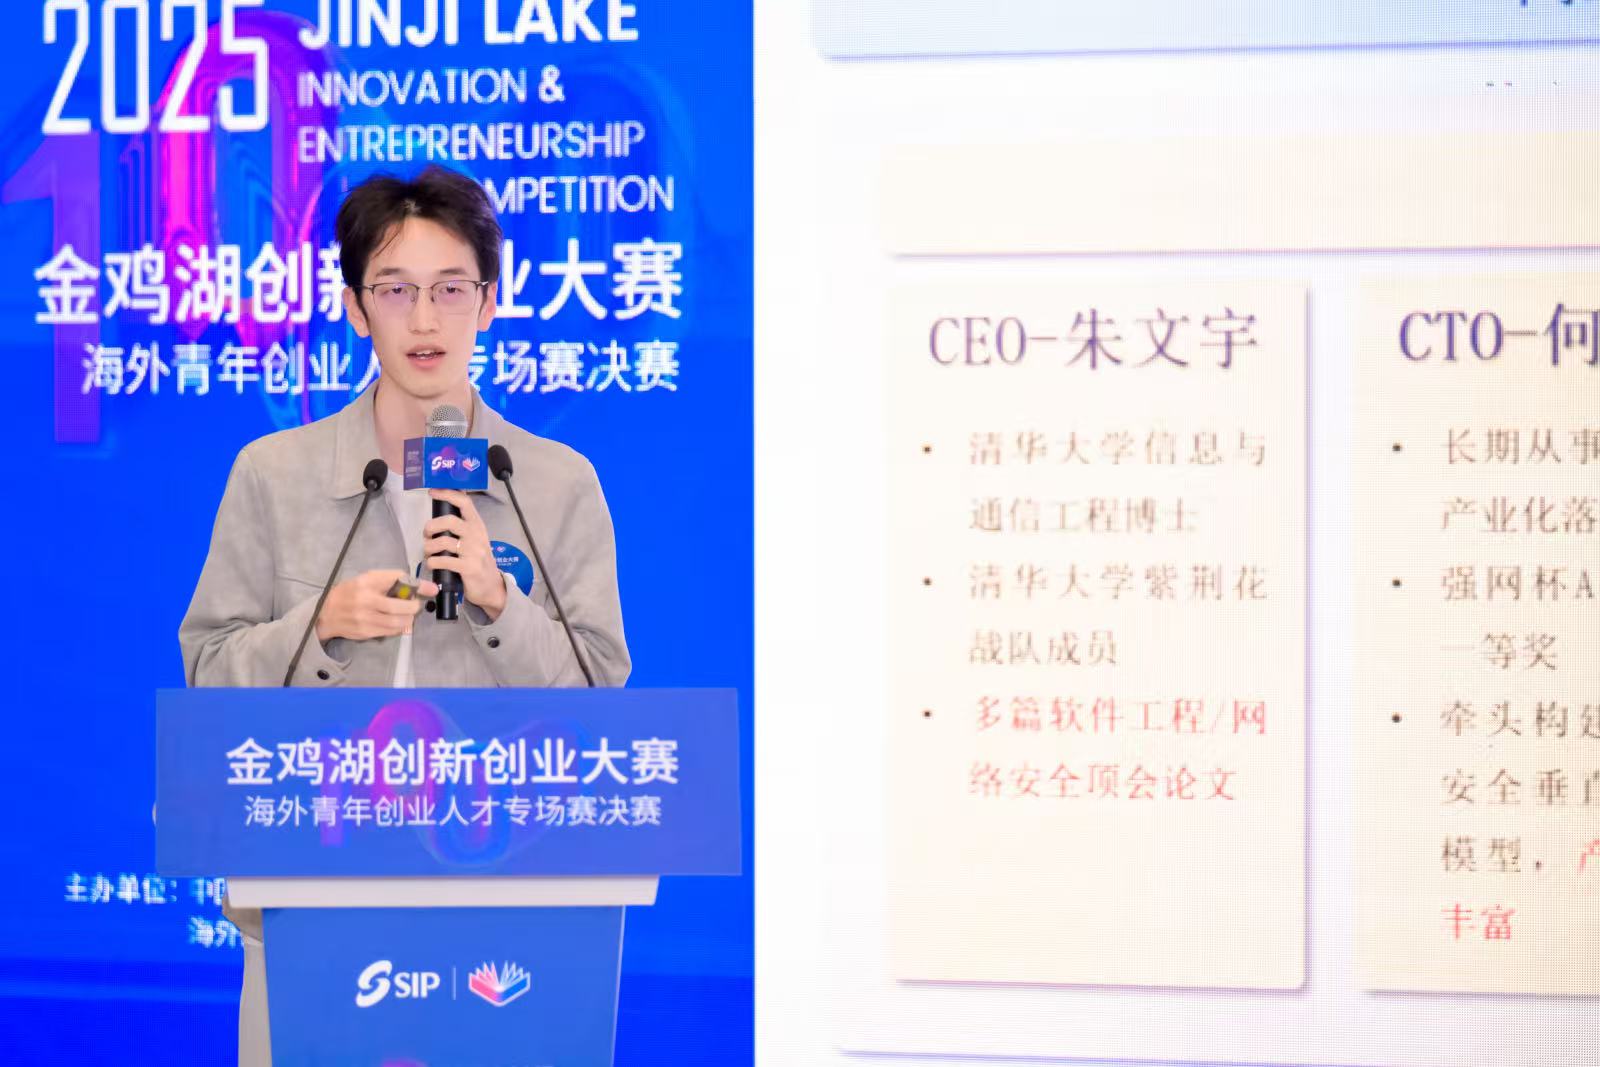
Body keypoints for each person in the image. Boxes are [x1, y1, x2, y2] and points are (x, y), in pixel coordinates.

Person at [178, 164, 630, 1067]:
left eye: (451, 289)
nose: (425, 319)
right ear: (355, 308)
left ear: (489, 302)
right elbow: (208, 673)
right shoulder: (274, 475)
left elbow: (602, 700)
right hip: (313, 892)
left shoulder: (556, 483)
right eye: (395, 289)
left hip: (506, 908)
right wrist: (319, 628)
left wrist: (502, 604)